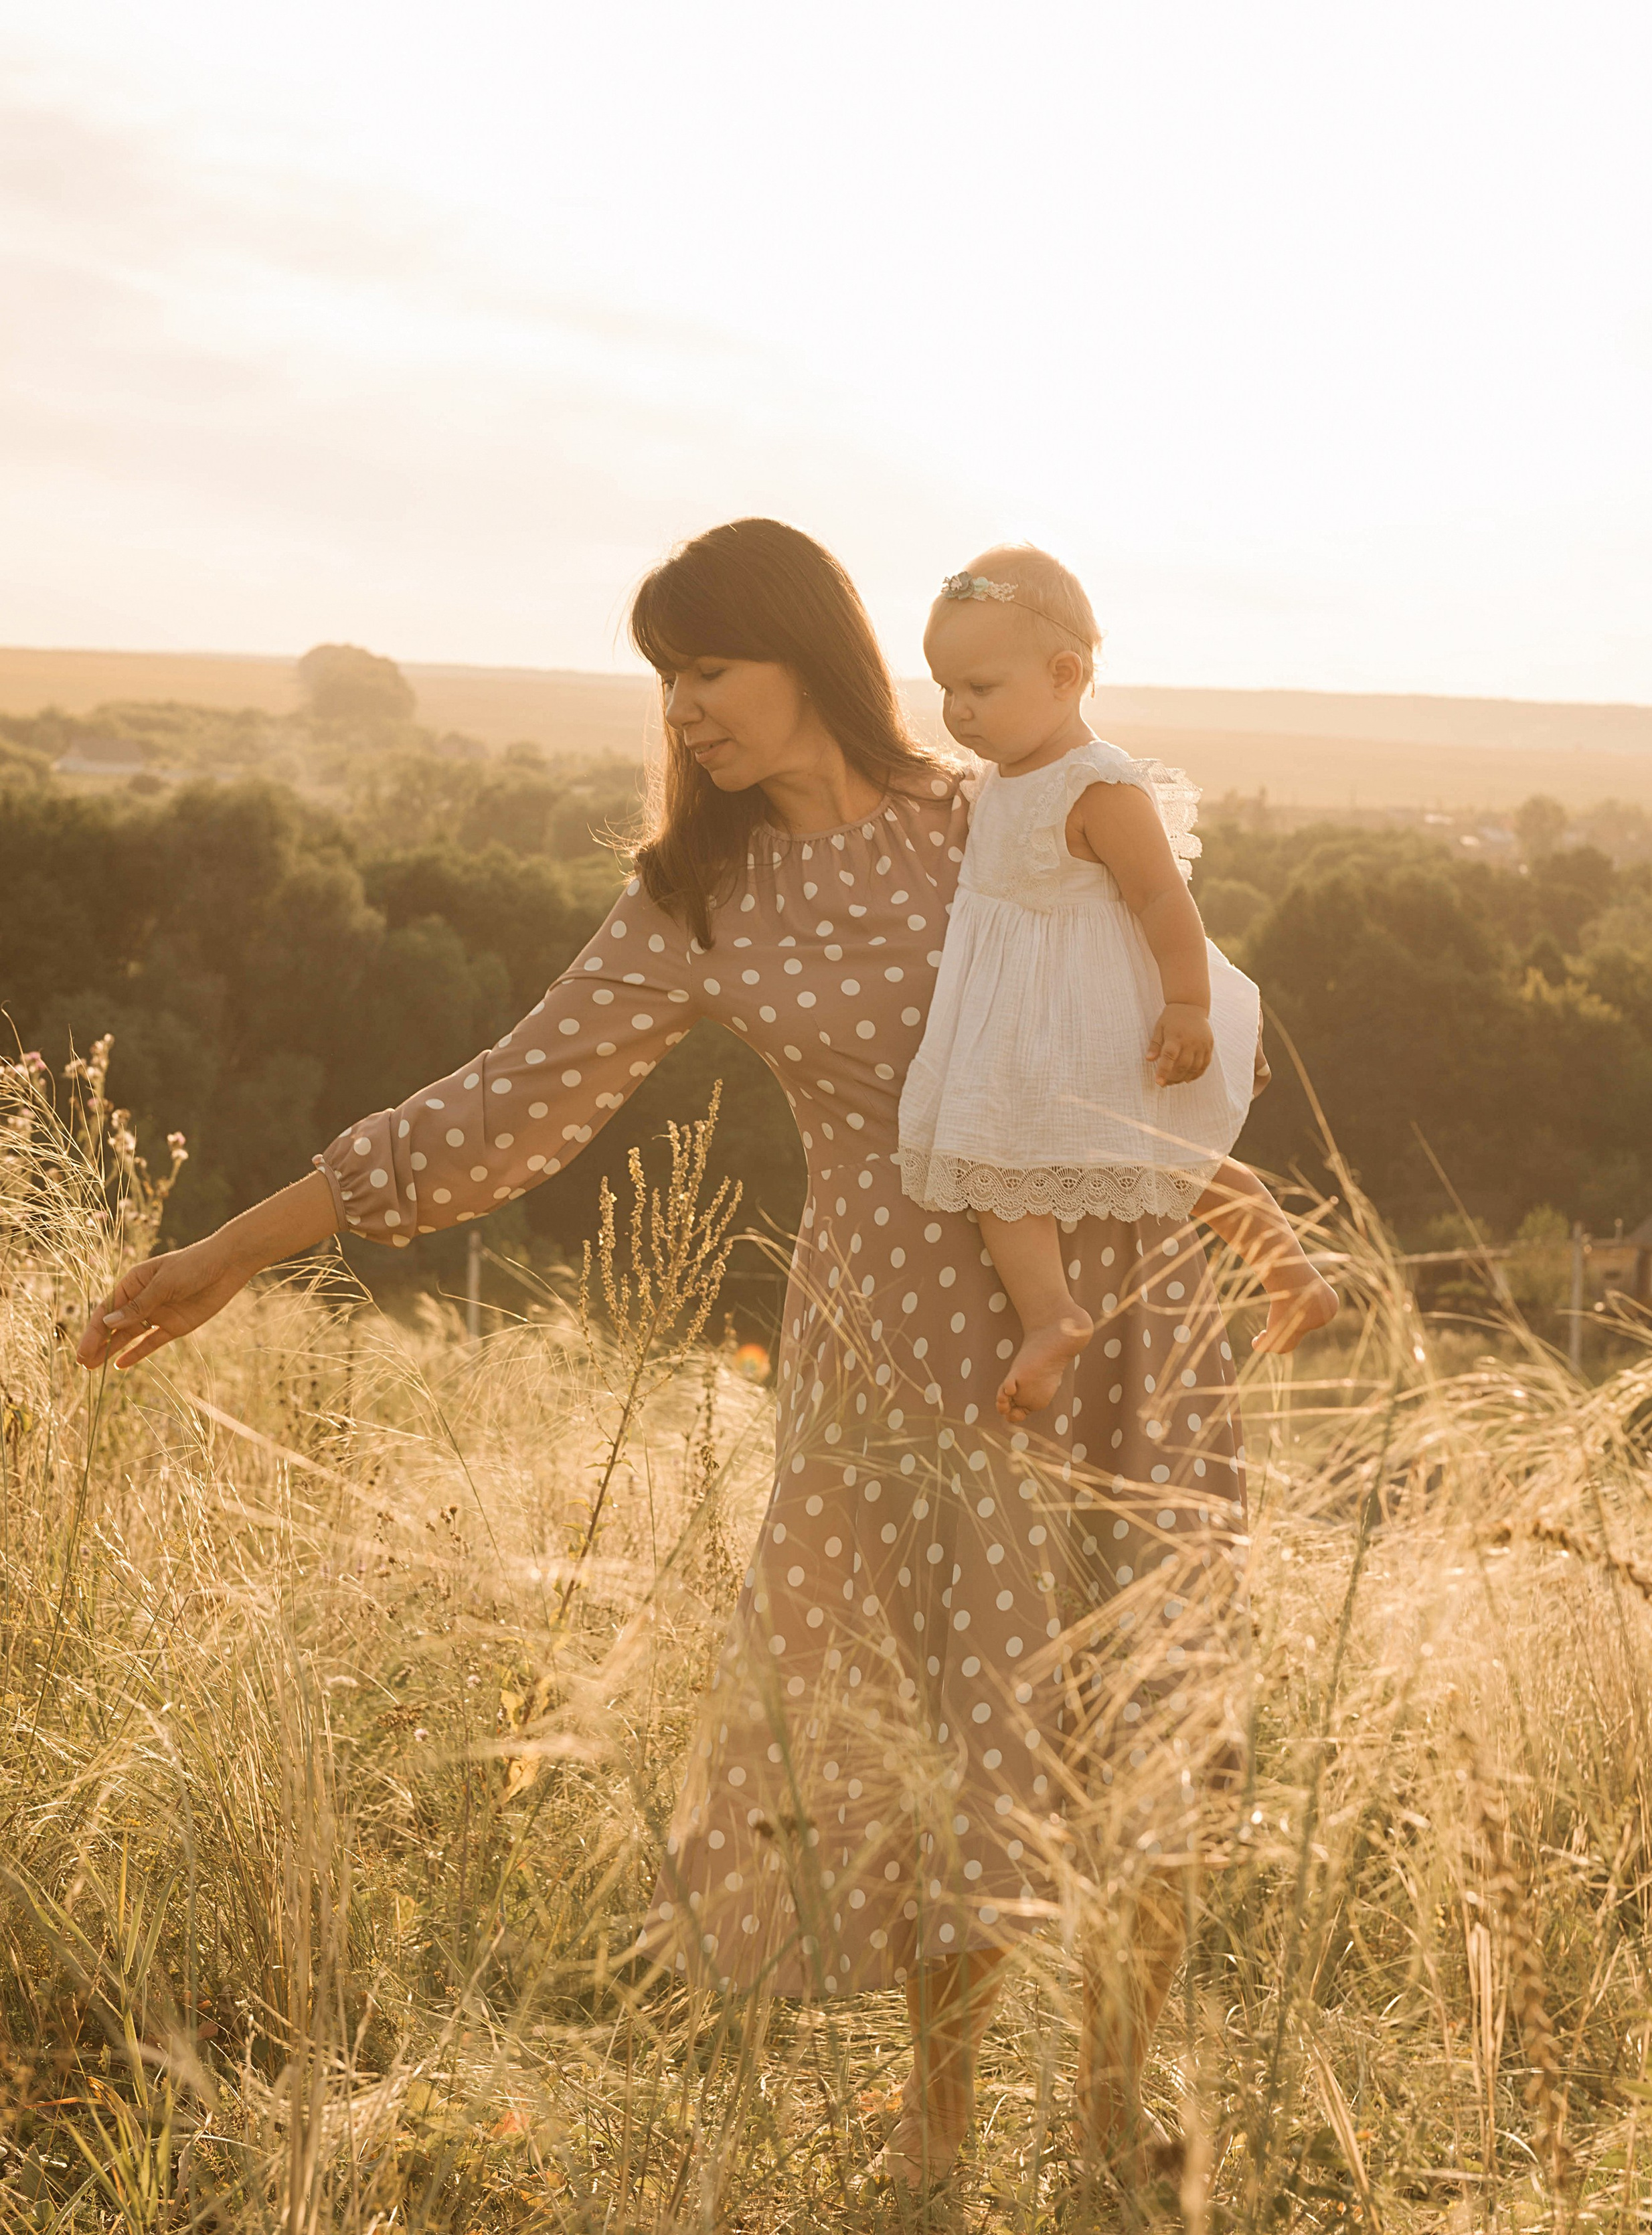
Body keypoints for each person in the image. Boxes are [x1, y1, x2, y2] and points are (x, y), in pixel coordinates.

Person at [78, 518, 1328, 2196]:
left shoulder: (993, 814)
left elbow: (1128, 1033)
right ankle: (937, 2141)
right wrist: (231, 1249)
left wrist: (1241, 1207)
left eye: (707, 668)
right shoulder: (698, 898)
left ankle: (1110, 2128)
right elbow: (503, 1103)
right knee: (938, 1727)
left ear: (805, 654)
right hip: (896, 1346)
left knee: (1129, 1702)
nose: (683, 710)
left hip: (1108, 1304)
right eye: (663, 681)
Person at [898, 546, 1336, 1423]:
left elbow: (1161, 898)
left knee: (1163, 1156)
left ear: (1066, 676)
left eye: (980, 688)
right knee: (991, 1156)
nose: (957, 711)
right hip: (1018, 1016)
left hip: (1099, 1012)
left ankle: (1286, 1270)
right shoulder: (999, 777)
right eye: (945, 689)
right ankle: (1053, 1314)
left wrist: (1187, 1004)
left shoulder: (1097, 784)